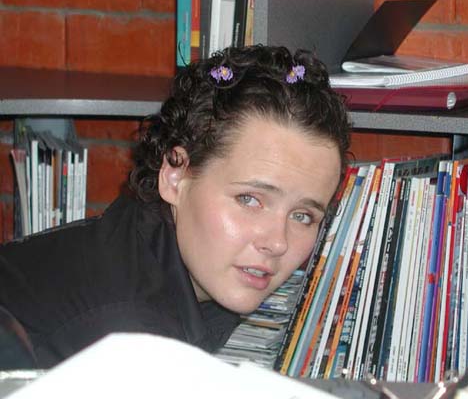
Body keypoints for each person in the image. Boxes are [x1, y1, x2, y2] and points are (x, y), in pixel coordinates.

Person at [0, 45, 351, 368]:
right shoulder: (125, 344)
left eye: (303, 216)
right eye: (249, 199)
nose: (277, 242)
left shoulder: (139, 243)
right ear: (174, 176)